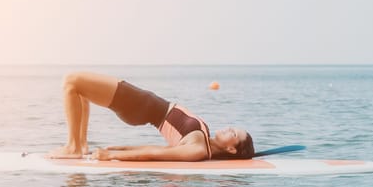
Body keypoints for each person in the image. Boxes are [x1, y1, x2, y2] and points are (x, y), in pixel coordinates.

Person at [48, 72, 254, 161]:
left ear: (231, 148)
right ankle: (80, 145)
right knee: (81, 90)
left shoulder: (198, 150)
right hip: (141, 102)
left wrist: (112, 156)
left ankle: (73, 147)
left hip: (138, 105)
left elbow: (155, 154)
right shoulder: (204, 142)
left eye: (234, 133)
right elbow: (161, 149)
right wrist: (117, 148)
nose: (229, 128)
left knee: (71, 82)